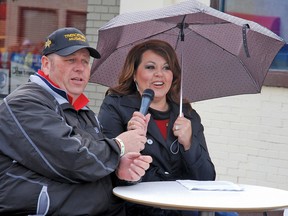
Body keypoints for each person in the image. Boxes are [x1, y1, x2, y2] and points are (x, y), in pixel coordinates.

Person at [0, 27, 152, 216]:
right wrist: (121, 145)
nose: (80, 67)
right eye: (70, 60)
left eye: (85, 61)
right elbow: (73, 160)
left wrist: (119, 171)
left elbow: (94, 164)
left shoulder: (82, 109)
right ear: (46, 64)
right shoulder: (24, 103)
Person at [98, 39, 216, 216]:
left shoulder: (188, 115)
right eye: (150, 67)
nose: (159, 74)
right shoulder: (115, 107)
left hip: (181, 210)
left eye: (166, 68)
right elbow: (107, 170)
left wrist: (189, 143)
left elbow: (207, 179)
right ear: (134, 74)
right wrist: (129, 140)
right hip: (135, 210)